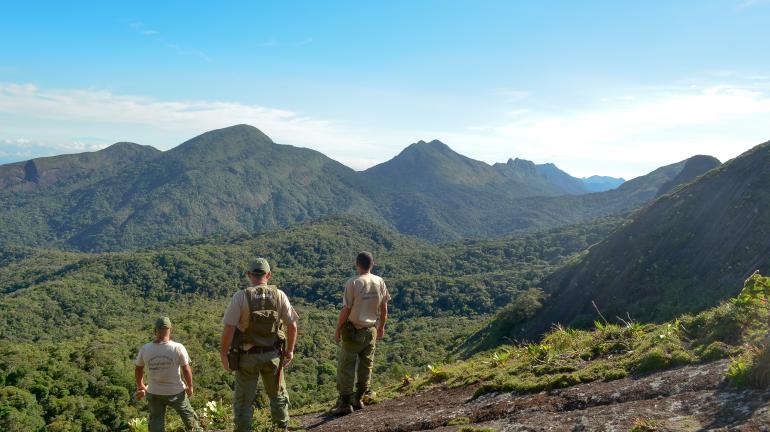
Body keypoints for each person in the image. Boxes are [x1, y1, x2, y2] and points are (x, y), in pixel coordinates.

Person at [220, 258, 299, 432]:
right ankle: (281, 427)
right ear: (268, 275)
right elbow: (292, 325)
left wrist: (224, 355)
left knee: (243, 400)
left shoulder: (240, 297)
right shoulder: (279, 295)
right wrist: (290, 351)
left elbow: (229, 329)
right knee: (277, 394)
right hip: (273, 355)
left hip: (247, 357)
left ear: (249, 275)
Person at [332, 251, 391, 416]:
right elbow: (384, 307)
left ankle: (345, 403)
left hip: (353, 330)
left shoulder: (353, 282)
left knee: (346, 367)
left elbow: (346, 309)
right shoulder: (379, 281)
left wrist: (338, 329)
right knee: (366, 366)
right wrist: (381, 327)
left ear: (357, 264)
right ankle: (358, 398)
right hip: (371, 329)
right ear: (372, 265)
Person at [134, 317, 202, 432]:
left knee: (156, 420)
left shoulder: (145, 349)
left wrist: (140, 386)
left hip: (154, 392)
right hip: (176, 391)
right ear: (170, 330)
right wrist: (190, 386)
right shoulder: (177, 347)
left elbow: (138, 368)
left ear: (156, 331)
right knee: (188, 416)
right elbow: (186, 369)